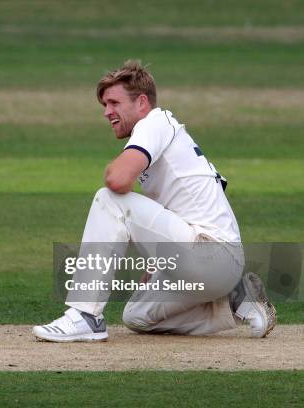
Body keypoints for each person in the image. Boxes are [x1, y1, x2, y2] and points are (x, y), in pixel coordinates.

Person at [33, 61, 276, 342]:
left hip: (212, 253)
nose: (106, 112)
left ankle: (85, 315)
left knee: (109, 199)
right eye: (104, 104)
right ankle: (235, 301)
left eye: (113, 102)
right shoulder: (168, 132)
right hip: (216, 267)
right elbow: (191, 198)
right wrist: (160, 261)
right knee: (137, 316)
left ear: (142, 103)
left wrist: (112, 171)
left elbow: (118, 180)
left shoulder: (154, 122)